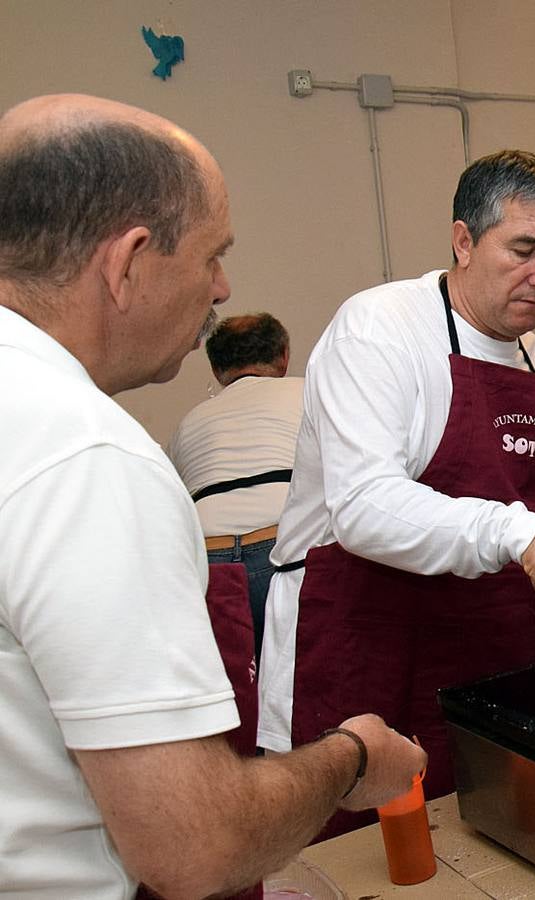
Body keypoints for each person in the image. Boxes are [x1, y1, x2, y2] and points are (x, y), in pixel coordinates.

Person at [0, 94, 422, 899]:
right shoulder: (87, 455)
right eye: (211, 255)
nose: (221, 286)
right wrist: (353, 757)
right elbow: (195, 847)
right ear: (126, 263)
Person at [258, 149, 535, 830]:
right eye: (524, 249)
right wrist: (521, 533)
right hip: (370, 641)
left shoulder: (529, 352)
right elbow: (364, 507)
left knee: (488, 834)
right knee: (365, 852)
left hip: (490, 645)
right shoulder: (379, 328)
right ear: (462, 239)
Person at [168, 312, 304, 662]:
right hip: (282, 546)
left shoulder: (190, 422)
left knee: (240, 684)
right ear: (284, 355)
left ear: (216, 369)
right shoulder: (308, 392)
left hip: (208, 559)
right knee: (298, 678)